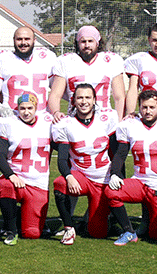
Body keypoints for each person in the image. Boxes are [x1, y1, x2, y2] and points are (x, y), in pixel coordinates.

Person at [106, 89, 157, 249]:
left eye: (151, 107)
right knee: (111, 191)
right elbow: (121, 153)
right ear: (139, 107)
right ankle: (129, 231)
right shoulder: (130, 125)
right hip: (140, 183)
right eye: (144, 107)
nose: (147, 111)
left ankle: (151, 219)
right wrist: (114, 174)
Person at [51, 83, 120, 245]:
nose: (84, 101)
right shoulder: (65, 124)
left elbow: (115, 153)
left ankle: (95, 221)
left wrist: (116, 175)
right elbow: (61, 159)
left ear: (95, 100)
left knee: (98, 232)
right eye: (80, 97)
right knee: (60, 183)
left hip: (103, 179)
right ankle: (69, 228)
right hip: (81, 176)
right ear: (73, 101)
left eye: (88, 97)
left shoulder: (107, 118)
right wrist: (68, 176)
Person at [0, 93, 53, 245]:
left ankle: (19, 215)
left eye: (30, 108)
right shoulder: (8, 124)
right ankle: (11, 230)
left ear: (36, 108)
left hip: (38, 182)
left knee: (32, 233)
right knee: (6, 185)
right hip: (17, 177)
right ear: (17, 109)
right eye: (22, 108)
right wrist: (10, 175)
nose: (26, 112)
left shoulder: (48, 122)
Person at [48, 25, 126, 120]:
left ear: (97, 43)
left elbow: (119, 97)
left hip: (104, 119)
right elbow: (55, 95)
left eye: (90, 41)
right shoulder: (66, 61)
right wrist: (56, 112)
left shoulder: (111, 61)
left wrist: (119, 121)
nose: (87, 45)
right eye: (83, 41)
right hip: (75, 119)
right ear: (77, 43)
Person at [0, 26, 57, 116]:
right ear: (13, 40)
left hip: (41, 119)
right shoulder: (2, 60)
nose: (23, 43)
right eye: (19, 39)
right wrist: (0, 109)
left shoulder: (47, 58)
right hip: (13, 119)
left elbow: (57, 91)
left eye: (27, 39)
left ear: (34, 40)